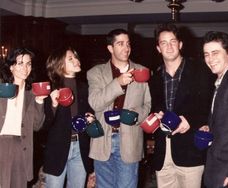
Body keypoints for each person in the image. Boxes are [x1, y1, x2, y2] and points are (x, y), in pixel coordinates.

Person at [149, 23, 215, 188]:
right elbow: (153, 107)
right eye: (164, 42)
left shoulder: (201, 70)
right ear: (158, 48)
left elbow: (211, 106)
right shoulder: (154, 77)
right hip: (163, 152)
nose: (169, 46)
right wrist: (155, 116)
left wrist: (191, 121)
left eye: (173, 41)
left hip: (190, 151)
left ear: (180, 44)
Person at [87, 28, 151, 188]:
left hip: (130, 140)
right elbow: (95, 102)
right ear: (110, 48)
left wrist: (136, 117)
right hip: (103, 141)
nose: (126, 48)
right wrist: (118, 83)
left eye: (128, 43)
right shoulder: (96, 73)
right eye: (120, 44)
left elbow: (148, 104)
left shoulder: (142, 72)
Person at [42, 46, 95, 188]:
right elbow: (43, 125)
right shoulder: (50, 89)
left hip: (80, 146)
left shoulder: (85, 87)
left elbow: (90, 113)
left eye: (76, 57)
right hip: (57, 149)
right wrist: (53, 104)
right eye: (70, 58)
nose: (76, 60)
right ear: (59, 65)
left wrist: (90, 117)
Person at [0, 48, 46, 188]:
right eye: (20, 63)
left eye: (29, 64)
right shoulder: (1, 87)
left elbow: (37, 126)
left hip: (21, 146)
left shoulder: (32, 93)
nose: (25, 68)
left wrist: (39, 101)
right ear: (11, 66)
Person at [202, 31, 228, 188]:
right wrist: (211, 127)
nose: (210, 59)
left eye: (215, 53)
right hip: (218, 166)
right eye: (206, 54)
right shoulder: (221, 80)